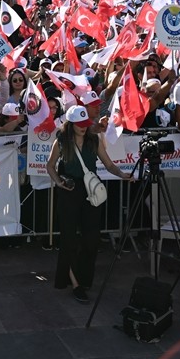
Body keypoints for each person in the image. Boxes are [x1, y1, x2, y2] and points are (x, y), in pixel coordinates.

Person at [45, 105, 131, 304]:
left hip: (89, 192)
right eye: (80, 124)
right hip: (69, 191)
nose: (84, 128)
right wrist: (59, 182)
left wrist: (122, 175)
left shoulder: (94, 140)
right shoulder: (61, 141)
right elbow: (50, 165)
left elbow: (108, 164)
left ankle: (84, 279)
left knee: (91, 239)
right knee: (68, 239)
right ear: (70, 124)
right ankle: (75, 284)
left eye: (86, 124)